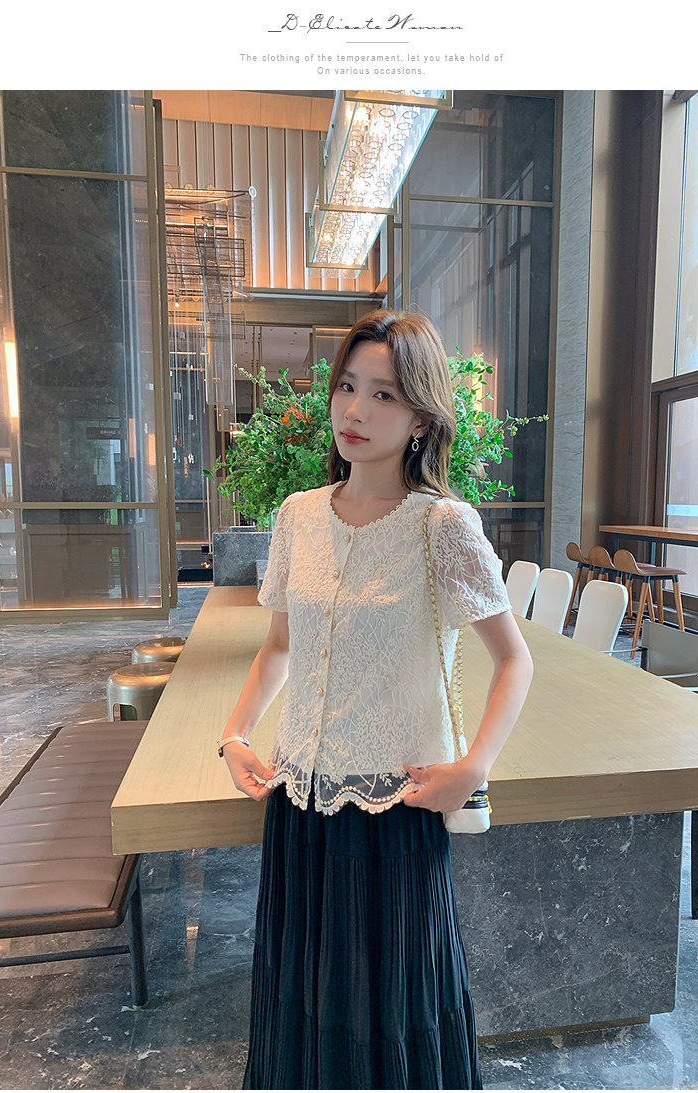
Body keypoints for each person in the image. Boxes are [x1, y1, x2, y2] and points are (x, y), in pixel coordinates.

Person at [218, 310, 534, 1090]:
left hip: (396, 807)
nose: (355, 410)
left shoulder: (443, 527)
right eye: (348, 387)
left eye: (385, 394)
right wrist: (235, 733)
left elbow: (514, 660)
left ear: (422, 416)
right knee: (303, 1003)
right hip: (299, 803)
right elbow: (281, 645)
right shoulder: (297, 516)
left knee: (392, 1009)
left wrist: (474, 766)